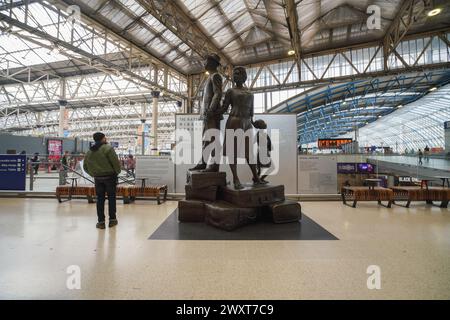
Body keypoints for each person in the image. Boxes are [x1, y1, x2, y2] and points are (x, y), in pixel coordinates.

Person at [222, 66, 263, 189]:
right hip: (234, 121)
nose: (236, 75)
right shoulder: (230, 91)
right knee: (232, 151)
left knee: (249, 152)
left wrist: (255, 123)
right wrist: (212, 111)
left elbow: (251, 112)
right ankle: (235, 178)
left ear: (244, 76)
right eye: (234, 73)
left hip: (247, 123)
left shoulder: (250, 93)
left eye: (239, 73)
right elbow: (224, 108)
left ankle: (255, 177)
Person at [190, 53, 223, 172]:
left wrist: (211, 109)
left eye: (206, 61)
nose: (204, 63)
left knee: (213, 139)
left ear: (213, 63)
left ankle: (213, 165)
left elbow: (218, 94)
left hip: (211, 114)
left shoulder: (215, 76)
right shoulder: (209, 77)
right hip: (207, 115)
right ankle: (203, 162)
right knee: (207, 139)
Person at [83, 132, 121, 229]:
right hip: (110, 177)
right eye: (105, 137)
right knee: (111, 198)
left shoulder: (89, 151)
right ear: (103, 139)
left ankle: (101, 222)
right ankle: (112, 220)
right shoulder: (108, 148)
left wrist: (93, 174)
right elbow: (115, 163)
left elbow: (85, 167)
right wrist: (117, 172)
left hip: (98, 179)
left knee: (100, 199)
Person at [253, 119, 272, 184]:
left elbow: (269, 143)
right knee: (269, 168)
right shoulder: (261, 134)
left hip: (263, 151)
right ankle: (259, 179)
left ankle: (257, 179)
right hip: (263, 152)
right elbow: (269, 144)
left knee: (260, 168)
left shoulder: (262, 133)